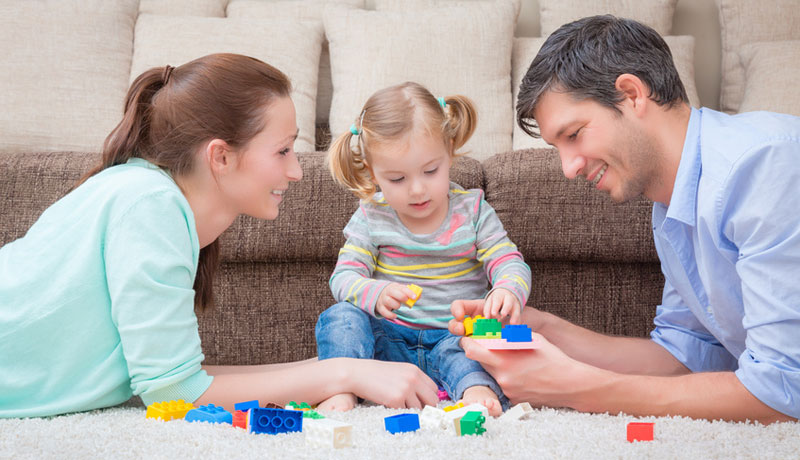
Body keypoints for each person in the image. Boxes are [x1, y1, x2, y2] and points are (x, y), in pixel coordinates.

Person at [0, 54, 440, 418]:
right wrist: (343, 374)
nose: (296, 170)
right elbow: (175, 400)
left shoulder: (150, 196)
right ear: (221, 157)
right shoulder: (150, 206)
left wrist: (340, 368)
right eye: (283, 150)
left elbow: (177, 379)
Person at [449, 15, 799, 424]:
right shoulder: (671, 206)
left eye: (574, 133)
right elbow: (687, 356)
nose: (568, 167)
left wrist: (580, 390)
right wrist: (543, 328)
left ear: (632, 94)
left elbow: (785, 389)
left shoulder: (761, 166)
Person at [315, 82, 532, 415]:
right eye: (397, 179)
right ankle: (341, 388)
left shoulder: (471, 211)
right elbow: (343, 277)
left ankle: (475, 391)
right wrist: (372, 291)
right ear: (373, 174)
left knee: (474, 350)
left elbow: (509, 262)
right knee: (340, 316)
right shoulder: (372, 215)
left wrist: (508, 289)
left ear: (449, 152)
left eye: (431, 171)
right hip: (386, 344)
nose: (417, 190)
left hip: (453, 338)